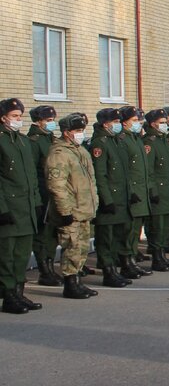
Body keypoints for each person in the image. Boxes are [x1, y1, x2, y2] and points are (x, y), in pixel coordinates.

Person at [44, 113, 99, 299]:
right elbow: (56, 185)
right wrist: (65, 211)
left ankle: (78, 281)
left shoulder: (81, 151)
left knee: (81, 248)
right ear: (66, 133)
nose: (80, 134)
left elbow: (91, 181)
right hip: (71, 211)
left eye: (82, 130)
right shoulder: (59, 153)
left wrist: (94, 204)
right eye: (77, 131)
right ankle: (70, 283)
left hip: (84, 209)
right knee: (72, 247)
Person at [0, 98, 44, 313]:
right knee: (6, 255)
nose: (19, 120)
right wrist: (2, 208)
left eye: (20, 116)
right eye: (15, 117)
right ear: (3, 118)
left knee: (22, 254)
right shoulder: (1, 141)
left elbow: (32, 177)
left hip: (26, 208)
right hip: (9, 208)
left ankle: (19, 292)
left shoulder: (24, 142)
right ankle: (8, 295)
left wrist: (36, 202)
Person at [91, 107, 138, 286]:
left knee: (119, 235)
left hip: (121, 197)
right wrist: (107, 199)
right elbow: (100, 174)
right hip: (109, 199)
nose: (119, 125)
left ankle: (116, 269)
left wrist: (130, 192)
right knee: (106, 239)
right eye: (116, 122)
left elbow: (124, 172)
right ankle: (108, 272)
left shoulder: (116, 141)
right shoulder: (100, 143)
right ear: (106, 124)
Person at [117, 106, 155, 275]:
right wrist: (130, 190)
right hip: (131, 192)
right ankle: (126, 263)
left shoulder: (136, 139)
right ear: (124, 122)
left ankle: (132, 260)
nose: (139, 123)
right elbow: (123, 170)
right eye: (134, 120)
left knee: (135, 230)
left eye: (139, 121)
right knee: (128, 230)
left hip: (141, 191)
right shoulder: (123, 140)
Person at [142, 109, 169, 268]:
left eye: (166, 122)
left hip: (168, 191)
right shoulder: (149, 142)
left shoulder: (164, 140)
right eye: (162, 123)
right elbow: (149, 170)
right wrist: (152, 190)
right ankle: (157, 258)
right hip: (158, 191)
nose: (166, 125)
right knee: (157, 227)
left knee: (165, 226)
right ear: (153, 124)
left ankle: (163, 256)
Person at [27, 105, 62, 286]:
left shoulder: (52, 139)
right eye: (48, 120)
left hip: (55, 194)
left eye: (52, 119)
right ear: (38, 121)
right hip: (42, 193)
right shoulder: (33, 141)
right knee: (42, 234)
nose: (51, 123)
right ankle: (44, 270)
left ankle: (50, 266)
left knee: (52, 233)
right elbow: (32, 171)